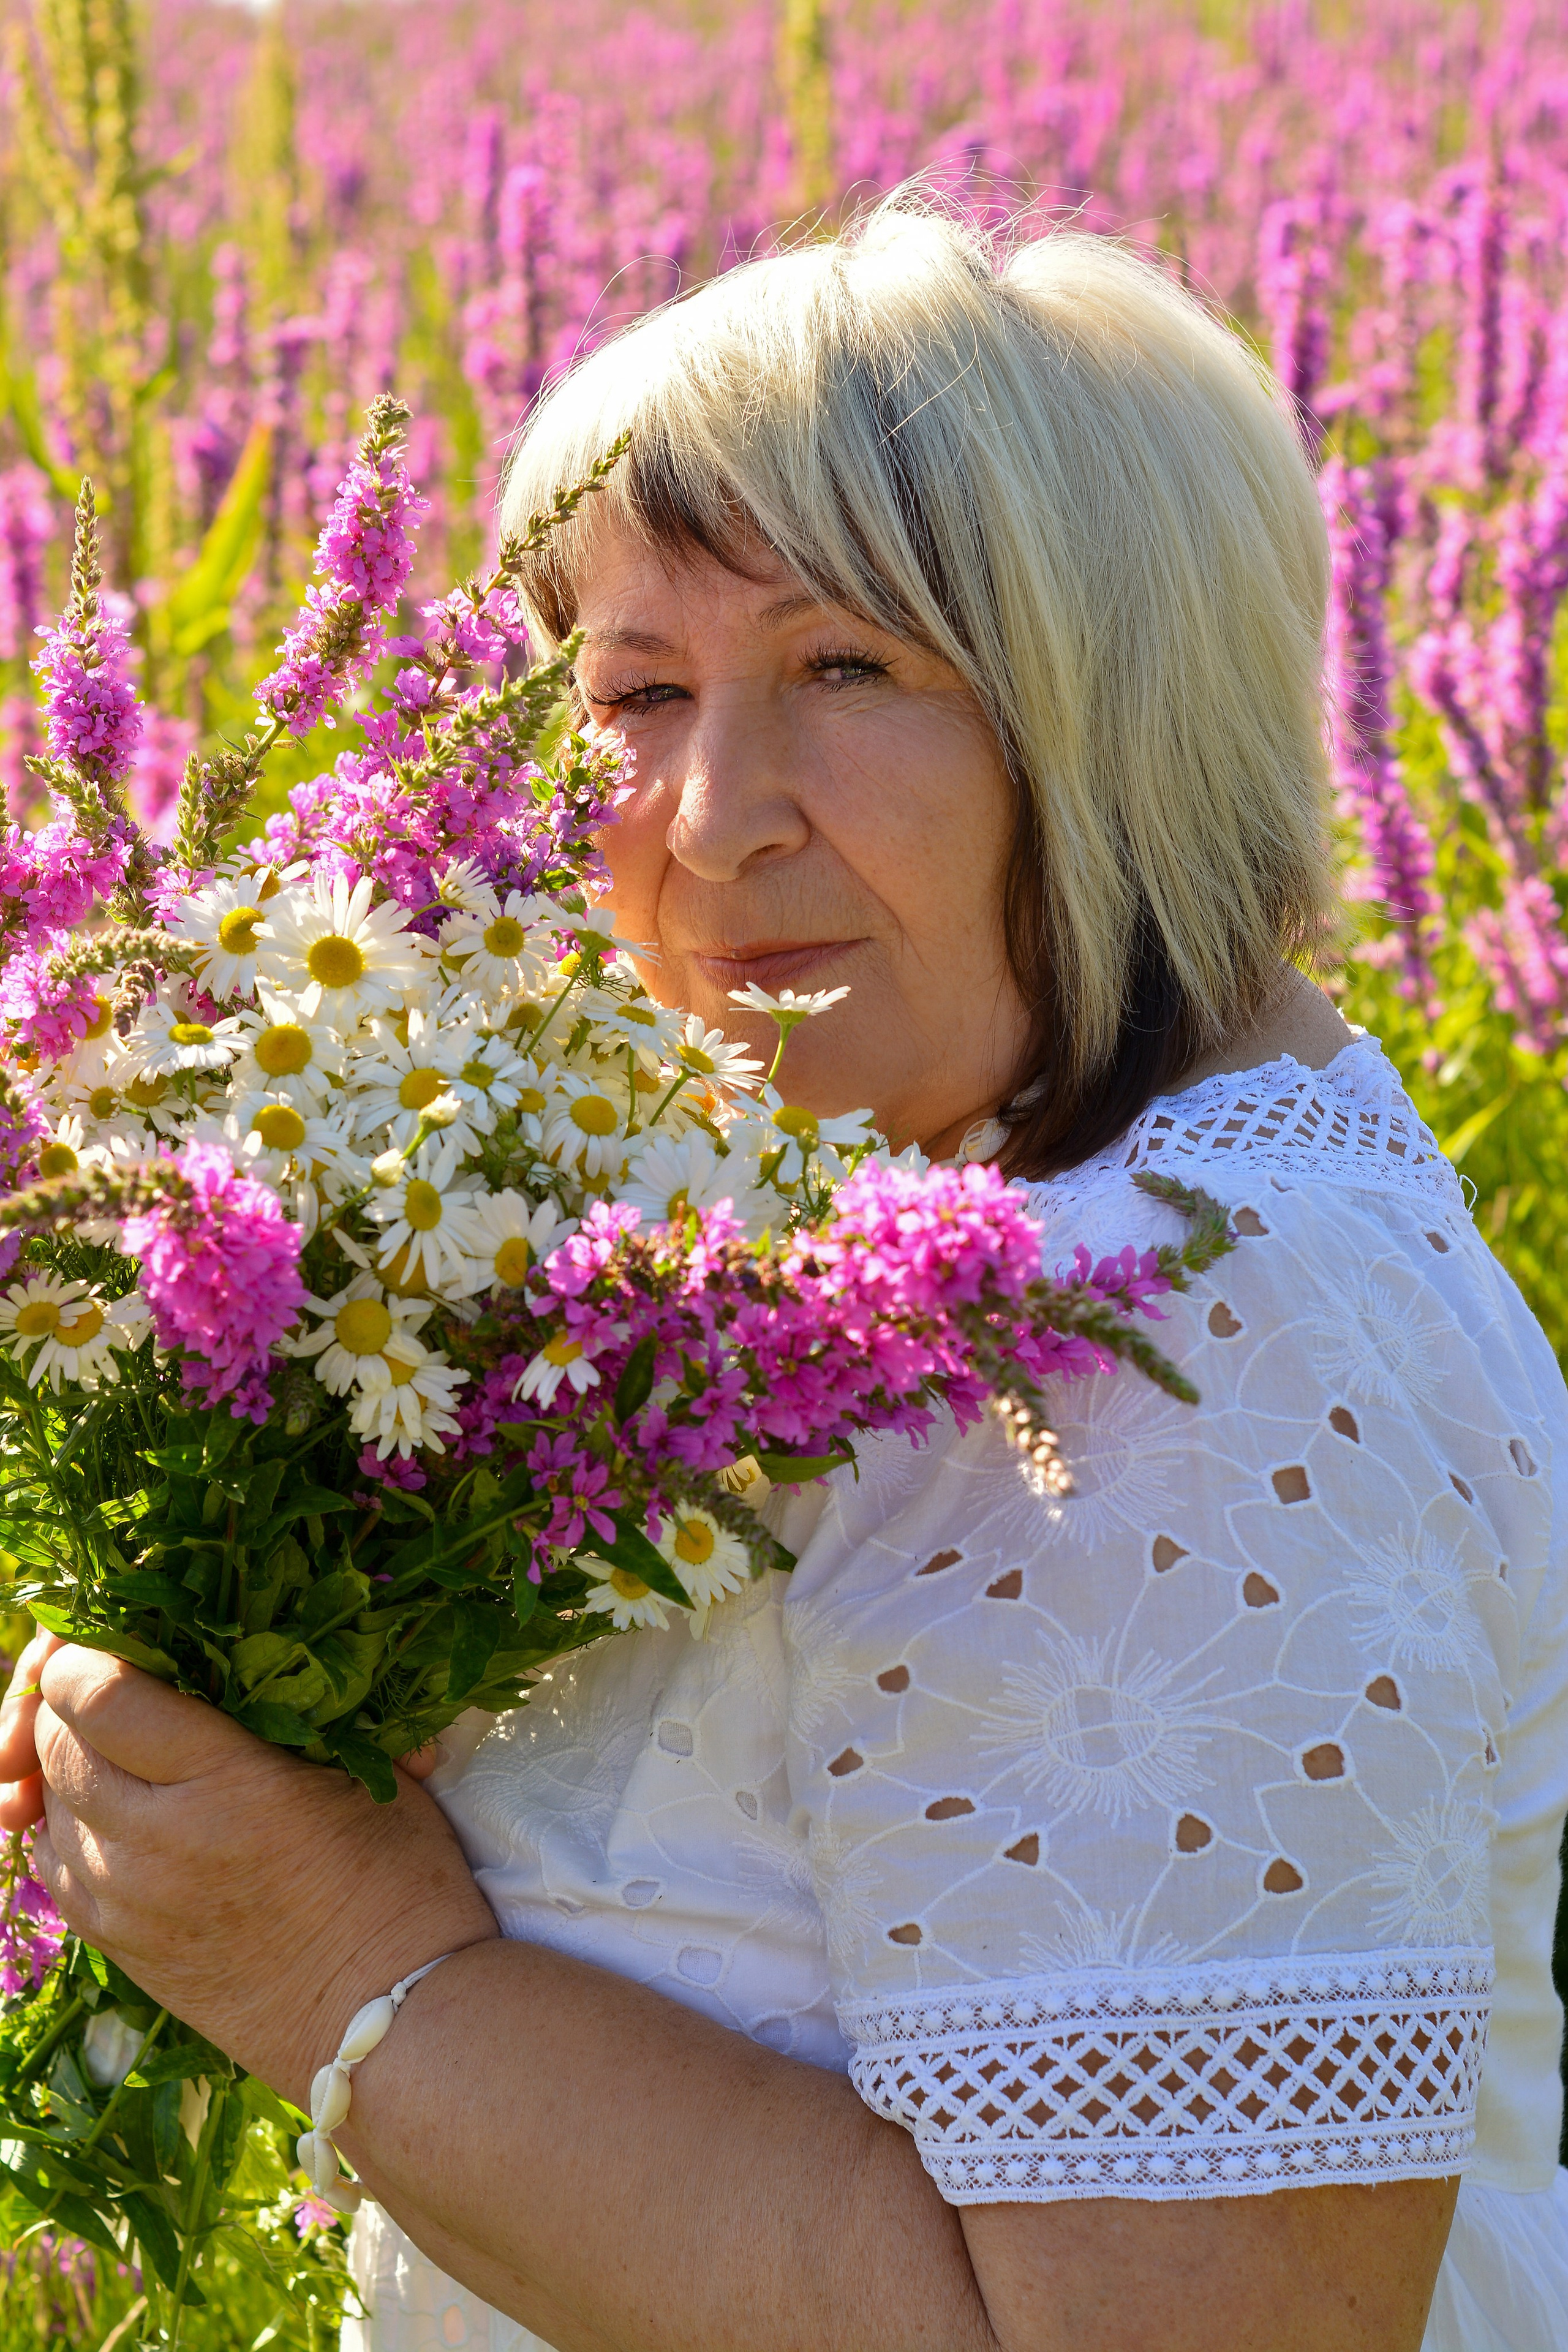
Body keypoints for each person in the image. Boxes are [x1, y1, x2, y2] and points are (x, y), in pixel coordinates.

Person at [2, 196, 1565, 2352]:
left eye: (853, 667)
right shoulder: (994, 1202)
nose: (712, 817)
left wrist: (337, 1965)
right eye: (633, 691)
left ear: (1125, 704)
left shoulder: (1154, 1333)